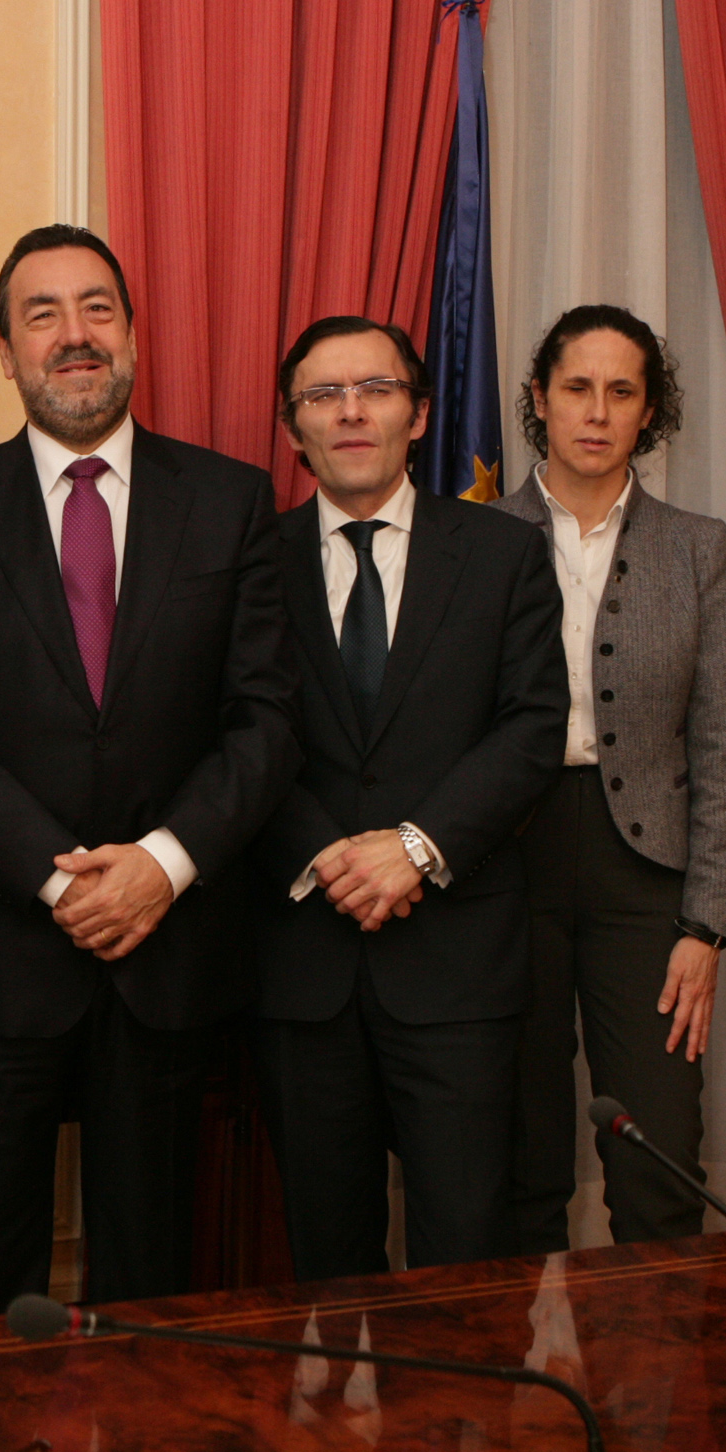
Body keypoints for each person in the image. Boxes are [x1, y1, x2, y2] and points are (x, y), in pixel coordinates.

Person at [0, 225, 298, 1317]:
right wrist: (60, 880)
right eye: (42, 314)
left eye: (97, 309)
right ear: (5, 352)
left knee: (154, 1286)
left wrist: (161, 866)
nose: (74, 334)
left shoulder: (229, 499)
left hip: (167, 956)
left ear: (132, 333)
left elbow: (265, 719)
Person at [250, 316, 565, 1275]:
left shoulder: (503, 552)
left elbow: (532, 727)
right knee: (326, 1257)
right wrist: (328, 855)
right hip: (302, 967)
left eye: (377, 390)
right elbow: (235, 730)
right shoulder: (249, 561)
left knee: (467, 1256)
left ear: (419, 414)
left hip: (457, 964)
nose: (351, 412)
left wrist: (417, 847)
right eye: (323, 395)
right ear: (293, 427)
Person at [497, 307, 726, 1249]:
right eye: (577, 387)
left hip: (646, 880)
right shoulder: (477, 536)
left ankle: (654, 1351)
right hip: (506, 867)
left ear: (650, 411)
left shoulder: (697, 546)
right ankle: (521, 1348)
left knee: (658, 1163)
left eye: (622, 391)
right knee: (516, 1159)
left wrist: (707, 926)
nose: (597, 412)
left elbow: (724, 744)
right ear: (540, 398)